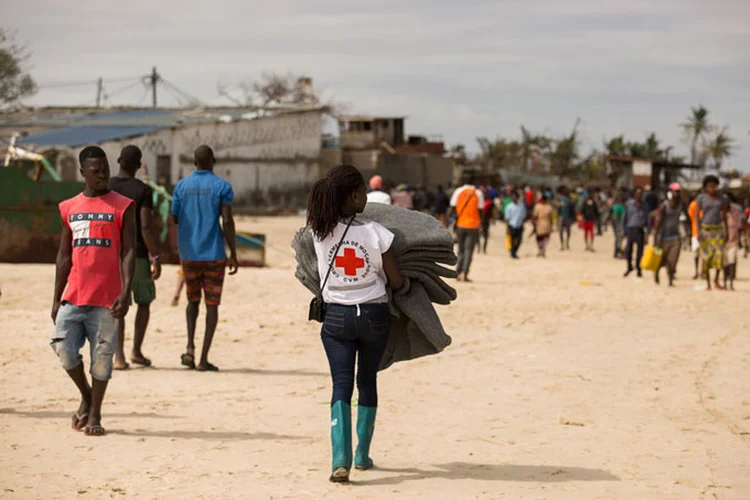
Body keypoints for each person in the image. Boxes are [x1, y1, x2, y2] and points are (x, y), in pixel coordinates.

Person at [307, 164, 403, 483]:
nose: (365, 197)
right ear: (351, 196)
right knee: (367, 382)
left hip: (336, 318)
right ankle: (362, 455)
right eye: (362, 191)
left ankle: (340, 459)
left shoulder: (319, 232)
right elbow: (397, 280)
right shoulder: (376, 232)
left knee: (341, 385)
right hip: (374, 316)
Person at [51, 146, 136, 436]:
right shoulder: (68, 207)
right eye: (96, 170)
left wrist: (125, 292)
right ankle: (87, 396)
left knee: (103, 357)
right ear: (82, 172)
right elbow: (64, 256)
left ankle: (95, 413)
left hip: (108, 298)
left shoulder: (123, 205)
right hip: (73, 295)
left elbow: (128, 251)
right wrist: (55, 298)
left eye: (105, 168)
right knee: (62, 348)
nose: (102, 174)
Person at [171, 145, 238, 371]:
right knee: (212, 305)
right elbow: (227, 221)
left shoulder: (181, 186)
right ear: (213, 160)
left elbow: (175, 218)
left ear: (194, 161)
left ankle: (189, 346)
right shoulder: (222, 186)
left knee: (192, 302)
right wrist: (234, 253)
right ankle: (203, 358)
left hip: (189, 254)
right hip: (214, 255)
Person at [108, 146, 162, 369]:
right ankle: (136, 351)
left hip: (112, 254)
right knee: (144, 302)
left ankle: (118, 355)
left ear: (119, 161)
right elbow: (146, 227)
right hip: (138, 254)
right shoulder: (143, 191)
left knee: (118, 305)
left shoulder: (107, 187)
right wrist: (155, 256)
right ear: (139, 166)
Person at [450, 172, 484, 281]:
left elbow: (452, 207)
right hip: (473, 225)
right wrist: (481, 223)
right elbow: (481, 210)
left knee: (460, 249)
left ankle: (457, 272)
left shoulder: (458, 191)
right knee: (469, 250)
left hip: (460, 224)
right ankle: (464, 274)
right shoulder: (478, 193)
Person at [695, 175, 727, 291]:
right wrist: (697, 231)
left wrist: (726, 230)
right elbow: (696, 215)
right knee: (706, 257)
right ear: (706, 187)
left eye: (714, 186)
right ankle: (708, 283)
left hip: (717, 229)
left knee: (720, 255)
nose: (713, 188)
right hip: (705, 230)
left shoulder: (721, 199)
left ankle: (716, 280)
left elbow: (724, 216)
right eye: (710, 186)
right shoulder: (701, 198)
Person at [652, 185, 685, 287]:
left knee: (672, 260)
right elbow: (657, 223)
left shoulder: (681, 205)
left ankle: (670, 280)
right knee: (661, 260)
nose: (677, 193)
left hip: (675, 237)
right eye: (675, 191)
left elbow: (686, 219)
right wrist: (655, 239)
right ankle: (656, 272)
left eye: (678, 191)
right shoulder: (664, 206)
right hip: (663, 237)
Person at [623, 188, 650, 278]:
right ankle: (629, 266)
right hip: (630, 229)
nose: (639, 196)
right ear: (634, 194)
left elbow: (647, 219)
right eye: (637, 194)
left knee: (640, 252)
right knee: (628, 250)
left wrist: (648, 233)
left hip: (640, 230)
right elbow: (625, 217)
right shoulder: (629, 204)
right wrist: (623, 230)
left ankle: (639, 268)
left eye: (641, 194)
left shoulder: (645, 206)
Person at [723, 193, 743, 291]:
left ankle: (730, 282)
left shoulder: (736, 211)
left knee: (732, 261)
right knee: (724, 262)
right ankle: (724, 282)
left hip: (733, 239)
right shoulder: (719, 211)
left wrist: (739, 240)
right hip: (722, 241)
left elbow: (739, 226)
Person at [504, 190, 527, 259]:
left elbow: (524, 216)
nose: (514, 198)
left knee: (519, 240)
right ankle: (513, 253)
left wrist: (523, 224)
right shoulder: (509, 206)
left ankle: (514, 251)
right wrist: (508, 227)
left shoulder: (522, 206)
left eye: (515, 197)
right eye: (513, 197)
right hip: (512, 225)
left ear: (518, 197)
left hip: (519, 225)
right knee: (512, 240)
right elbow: (507, 218)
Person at [609, 194, 625, 258]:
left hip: (614, 224)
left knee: (617, 238)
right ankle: (618, 251)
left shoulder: (614, 206)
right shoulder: (621, 207)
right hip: (619, 224)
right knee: (619, 238)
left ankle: (616, 252)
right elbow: (616, 217)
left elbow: (611, 216)